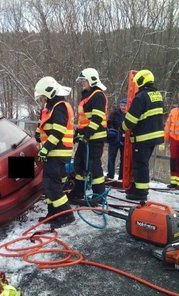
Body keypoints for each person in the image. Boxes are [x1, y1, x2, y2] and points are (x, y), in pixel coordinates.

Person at [35, 76, 75, 228]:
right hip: (52, 153)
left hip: (58, 152)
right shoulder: (50, 108)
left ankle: (66, 215)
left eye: (43, 96)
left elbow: (58, 132)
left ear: (50, 93)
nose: (42, 99)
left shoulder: (60, 106)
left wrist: (45, 149)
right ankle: (53, 213)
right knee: (48, 185)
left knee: (53, 186)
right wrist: (38, 133)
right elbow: (44, 126)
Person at [121, 69, 164, 201]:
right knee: (142, 163)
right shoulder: (157, 94)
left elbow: (132, 119)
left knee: (140, 164)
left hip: (143, 137)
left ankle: (141, 192)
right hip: (154, 135)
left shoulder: (140, 97)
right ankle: (137, 186)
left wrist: (123, 126)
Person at [68, 68, 108, 206]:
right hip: (86, 137)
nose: (82, 84)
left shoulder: (97, 95)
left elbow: (97, 118)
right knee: (79, 163)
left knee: (94, 165)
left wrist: (87, 134)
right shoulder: (86, 95)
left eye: (84, 81)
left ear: (91, 80)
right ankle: (79, 190)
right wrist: (77, 135)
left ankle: (99, 195)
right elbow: (83, 120)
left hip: (95, 138)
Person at [106, 98, 126, 180]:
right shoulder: (114, 113)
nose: (123, 107)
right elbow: (109, 123)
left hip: (124, 139)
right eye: (121, 105)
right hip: (114, 139)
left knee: (124, 159)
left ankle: (121, 176)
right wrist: (112, 130)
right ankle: (110, 175)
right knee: (111, 158)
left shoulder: (129, 115)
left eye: (125, 105)